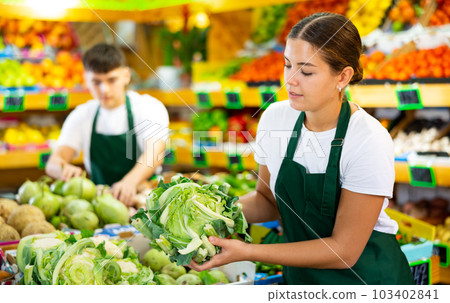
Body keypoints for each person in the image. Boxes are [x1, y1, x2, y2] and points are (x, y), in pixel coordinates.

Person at [190, 13, 414, 285]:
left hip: (364, 280)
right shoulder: (276, 118)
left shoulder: (368, 139)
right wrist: (207, 211)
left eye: (306, 71)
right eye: (287, 65)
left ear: (342, 76)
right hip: (302, 281)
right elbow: (267, 200)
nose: (291, 80)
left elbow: (344, 251)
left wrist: (246, 251)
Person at [46, 43, 169, 206]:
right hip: (101, 204)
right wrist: (63, 168)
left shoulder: (149, 107)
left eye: (112, 80)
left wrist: (129, 182)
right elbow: (53, 162)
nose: (105, 89)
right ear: (86, 80)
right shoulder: (82, 115)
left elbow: (154, 154)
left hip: (145, 200)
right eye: (96, 82)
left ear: (126, 75)